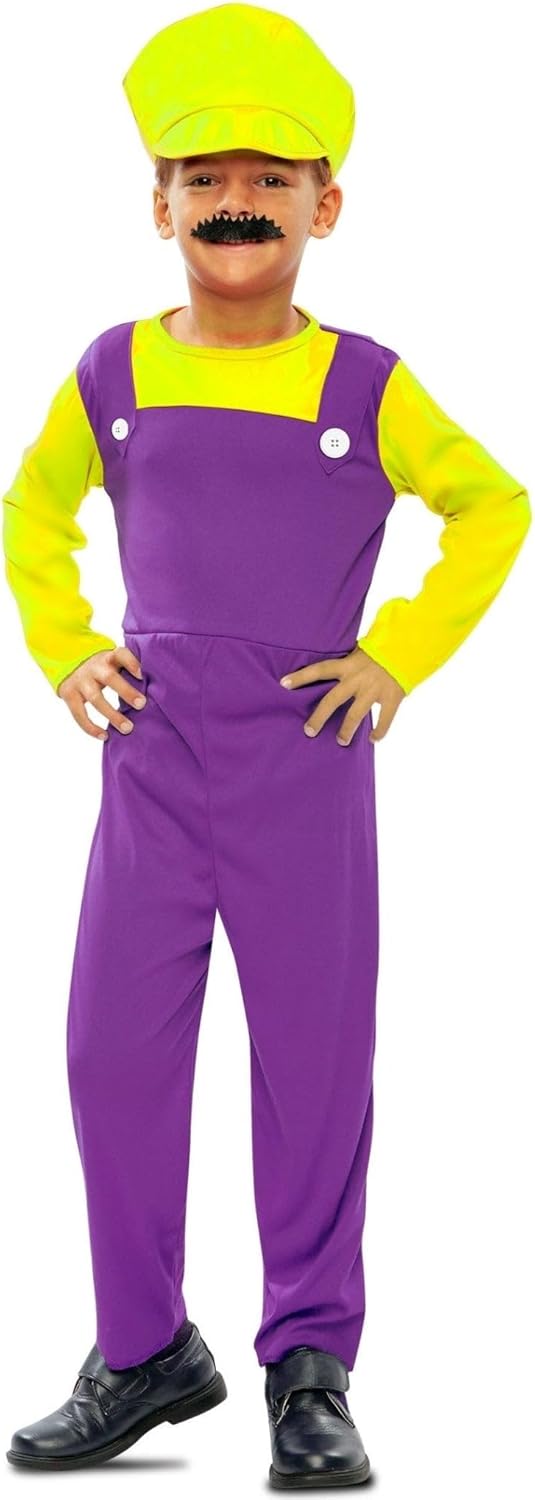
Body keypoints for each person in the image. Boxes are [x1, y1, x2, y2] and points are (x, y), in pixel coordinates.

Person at [2, 2, 530, 1485]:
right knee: (110, 1051)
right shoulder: (112, 374)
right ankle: (142, 1348)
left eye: (272, 177)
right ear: (159, 203)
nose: (237, 200)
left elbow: (493, 505)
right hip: (154, 762)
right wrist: (65, 643)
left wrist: (396, 654)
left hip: (306, 759)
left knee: (312, 1064)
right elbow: (29, 508)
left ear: (325, 206)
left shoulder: (365, 384)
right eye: (205, 176)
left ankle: (309, 1365)